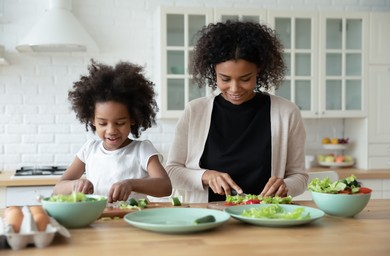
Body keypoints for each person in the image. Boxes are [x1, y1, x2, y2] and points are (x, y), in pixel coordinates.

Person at [165, 20, 308, 203]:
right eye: (225, 79)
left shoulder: (287, 113)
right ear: (213, 72)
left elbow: (299, 177)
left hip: (263, 217)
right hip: (208, 219)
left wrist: (286, 186)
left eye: (245, 79)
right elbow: (171, 171)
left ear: (259, 71)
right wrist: (206, 176)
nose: (234, 89)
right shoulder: (195, 111)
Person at [54, 60, 172, 203]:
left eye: (120, 123)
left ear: (133, 119)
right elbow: (58, 188)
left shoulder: (142, 150)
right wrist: (75, 185)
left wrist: (131, 184)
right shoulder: (89, 150)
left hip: (133, 220)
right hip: (97, 220)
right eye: (103, 123)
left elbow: (165, 186)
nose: (111, 130)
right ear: (92, 120)